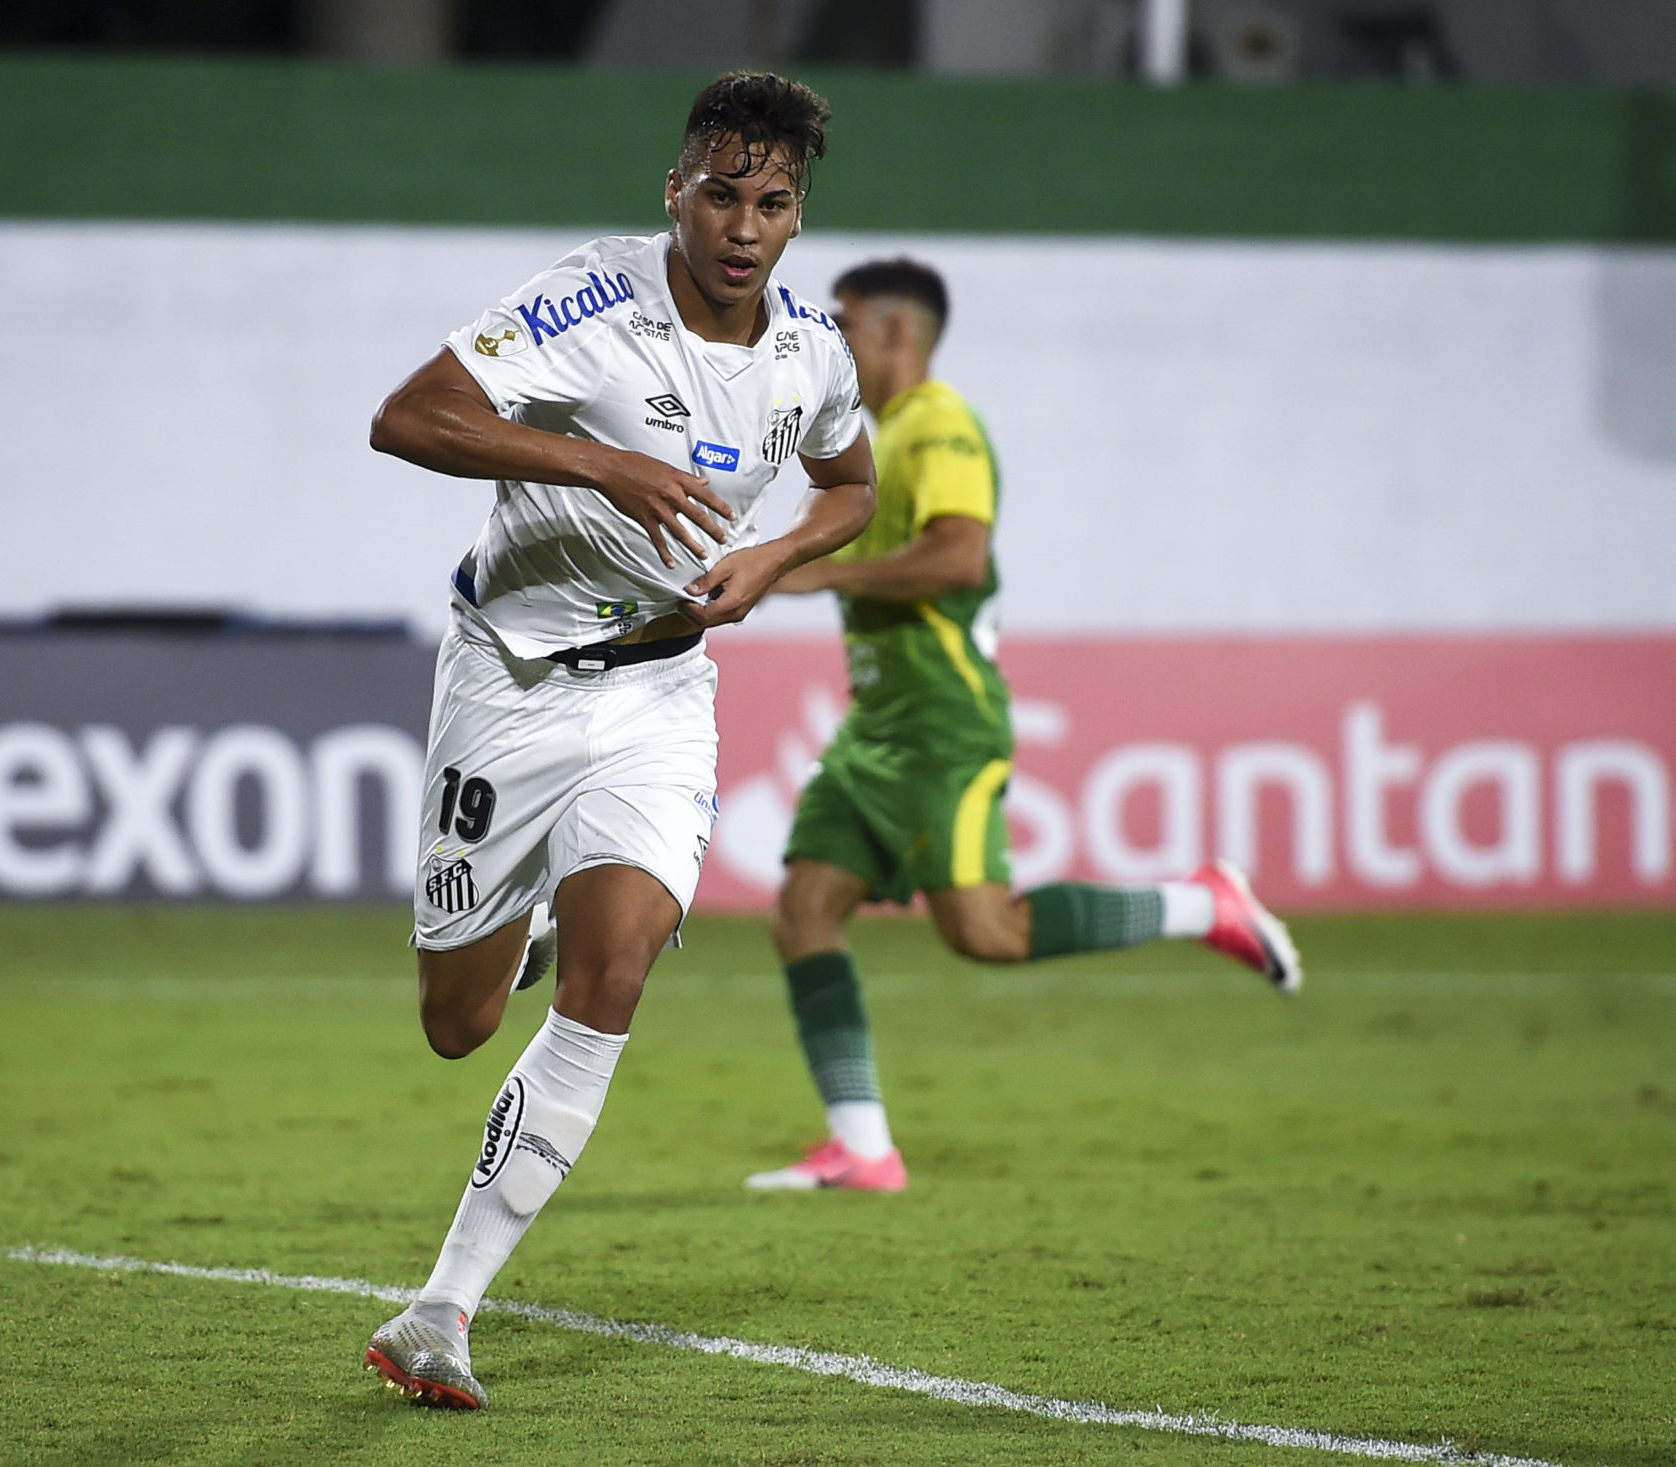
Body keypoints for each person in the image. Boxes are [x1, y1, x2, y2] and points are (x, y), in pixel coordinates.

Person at [359, 72, 876, 1410]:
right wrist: (598, 461)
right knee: (458, 1022)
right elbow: (404, 416)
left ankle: (441, 1309)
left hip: (658, 693)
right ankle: (514, 935)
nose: (742, 223)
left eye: (770, 201)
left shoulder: (810, 352)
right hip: (510, 678)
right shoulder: (590, 301)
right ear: (675, 189)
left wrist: (770, 559)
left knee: (621, 971)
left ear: (798, 213)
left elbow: (853, 485)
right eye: (720, 191)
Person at [745, 258, 1300, 1195]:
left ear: (893, 332)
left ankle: (1209, 904)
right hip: (875, 728)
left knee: (986, 932)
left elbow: (960, 556)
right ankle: (864, 1146)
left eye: (842, 323)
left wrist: (825, 573)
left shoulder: (937, 424)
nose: (828, 340)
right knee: (803, 910)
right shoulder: (872, 442)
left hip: (942, 726)